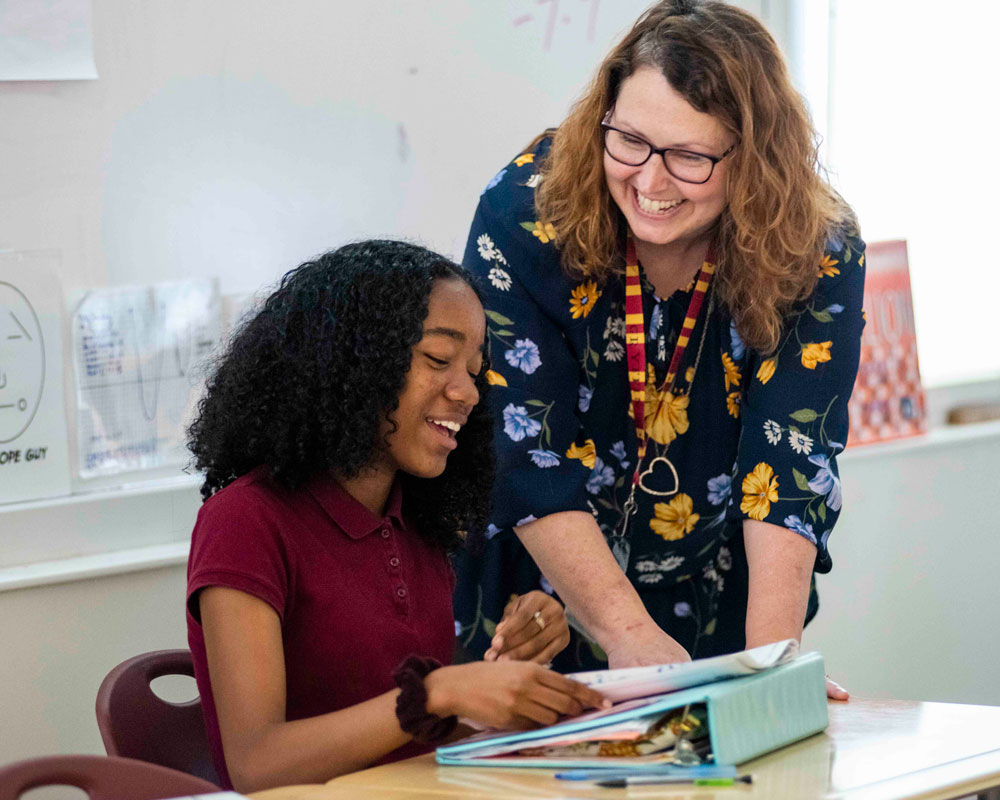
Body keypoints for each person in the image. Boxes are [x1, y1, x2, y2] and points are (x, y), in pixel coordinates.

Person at [453, 0, 863, 700]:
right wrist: (624, 632)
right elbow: (525, 447)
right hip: (543, 593)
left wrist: (771, 665)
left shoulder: (814, 248)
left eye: (691, 157)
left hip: (716, 589)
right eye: (631, 141)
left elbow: (791, 460)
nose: (650, 181)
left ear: (755, 156)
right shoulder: (528, 210)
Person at [185, 240, 607, 791]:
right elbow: (257, 763)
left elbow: (410, 743)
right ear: (353, 361)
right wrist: (438, 693)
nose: (467, 392)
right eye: (437, 359)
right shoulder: (244, 521)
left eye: (475, 371)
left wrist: (500, 683)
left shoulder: (417, 521)